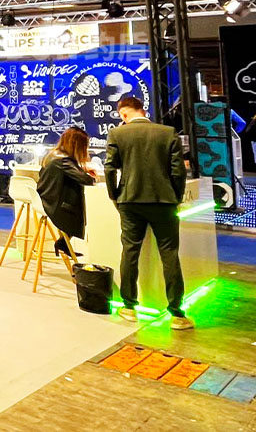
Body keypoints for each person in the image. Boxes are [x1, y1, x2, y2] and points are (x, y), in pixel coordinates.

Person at [104, 95, 191, 329]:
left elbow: (110, 168)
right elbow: (178, 171)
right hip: (164, 202)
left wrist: (114, 195)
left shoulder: (117, 134)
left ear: (123, 113)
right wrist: (175, 196)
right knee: (170, 254)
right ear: (142, 110)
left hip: (130, 200)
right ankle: (177, 313)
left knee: (130, 252)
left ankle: (129, 306)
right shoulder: (167, 133)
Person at [38, 127, 96, 256]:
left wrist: (82, 170)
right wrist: (86, 173)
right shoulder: (64, 161)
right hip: (55, 204)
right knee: (77, 206)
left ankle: (63, 242)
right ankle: (63, 242)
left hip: (47, 198)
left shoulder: (53, 155)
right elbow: (86, 180)